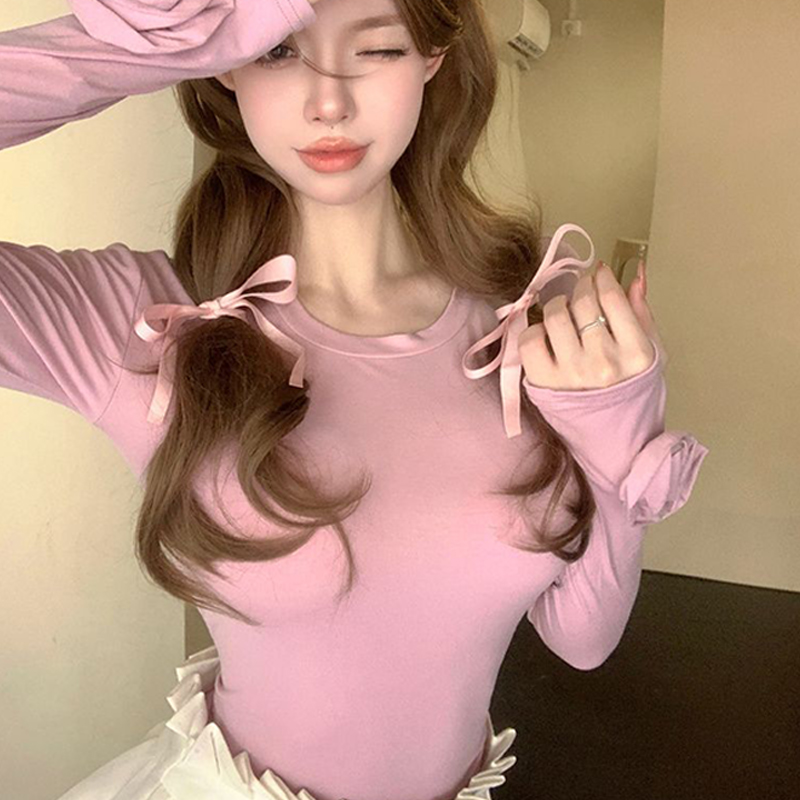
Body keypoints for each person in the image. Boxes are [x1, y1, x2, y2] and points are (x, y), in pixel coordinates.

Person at [0, 1, 710, 798]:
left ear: (432, 57)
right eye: (276, 53)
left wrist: (618, 429)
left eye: (376, 50)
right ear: (225, 67)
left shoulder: (529, 312)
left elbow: (584, 638)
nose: (328, 102)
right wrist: (159, 40)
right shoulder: (144, 325)